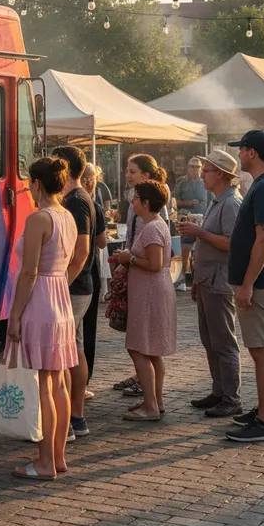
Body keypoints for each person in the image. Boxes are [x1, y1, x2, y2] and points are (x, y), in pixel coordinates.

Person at [6, 158, 81, 480]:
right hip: (60, 298)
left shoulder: (39, 218)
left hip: (40, 301)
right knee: (59, 382)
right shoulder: (67, 216)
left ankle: (45, 461)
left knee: (45, 386)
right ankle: (58, 457)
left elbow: (29, 271)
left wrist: (15, 314)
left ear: (37, 184)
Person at [225, 130, 264, 443]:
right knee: (259, 348)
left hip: (260, 282)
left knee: (262, 350)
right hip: (260, 281)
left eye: (241, 150)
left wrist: (247, 283)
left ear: (251, 152)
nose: (239, 155)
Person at [178, 150, 243, 418]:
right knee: (209, 340)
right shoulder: (219, 200)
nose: (202, 173)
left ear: (221, 174)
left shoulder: (231, 204)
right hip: (207, 280)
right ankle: (219, 391)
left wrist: (200, 232)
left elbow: (232, 244)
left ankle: (231, 398)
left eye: (206, 170)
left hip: (220, 282)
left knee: (224, 342)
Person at [114, 180, 177, 421]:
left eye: (137, 198)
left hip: (151, 293)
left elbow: (154, 263)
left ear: (146, 203)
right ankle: (155, 401)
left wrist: (128, 259)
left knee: (139, 347)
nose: (133, 201)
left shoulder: (152, 227)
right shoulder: (154, 225)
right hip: (150, 291)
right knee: (152, 350)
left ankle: (151, 405)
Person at [52, 146, 95, 440]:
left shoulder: (77, 201)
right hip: (78, 286)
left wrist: (62, 282)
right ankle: (75, 417)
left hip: (74, 287)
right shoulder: (80, 198)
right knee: (75, 350)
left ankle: (72, 418)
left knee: (69, 354)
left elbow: (82, 249)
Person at [81, 163, 109, 398]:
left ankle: (81, 380)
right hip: (90, 271)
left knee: (82, 330)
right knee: (86, 330)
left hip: (83, 271)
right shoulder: (95, 207)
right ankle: (84, 379)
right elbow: (102, 242)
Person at [174, 158, 209, 291]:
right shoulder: (181, 182)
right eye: (192, 167)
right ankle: (182, 279)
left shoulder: (205, 182)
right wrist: (187, 203)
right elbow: (175, 201)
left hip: (203, 220)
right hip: (186, 219)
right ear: (188, 168)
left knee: (200, 253)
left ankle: (198, 280)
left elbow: (211, 200)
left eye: (197, 167)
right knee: (185, 250)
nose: (194, 169)